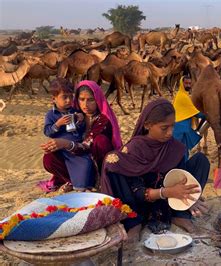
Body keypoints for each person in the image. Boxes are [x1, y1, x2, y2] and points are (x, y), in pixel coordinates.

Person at [101, 98, 210, 235]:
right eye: (164, 128)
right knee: (112, 162)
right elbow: (137, 190)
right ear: (147, 125)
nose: (170, 133)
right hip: (140, 202)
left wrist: (188, 198)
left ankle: (180, 214)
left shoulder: (175, 148)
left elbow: (181, 177)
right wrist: (166, 192)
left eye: (173, 126)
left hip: (170, 200)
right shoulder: (134, 148)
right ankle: (133, 222)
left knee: (201, 160)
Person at [40, 80, 122, 192]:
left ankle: (101, 181)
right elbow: (51, 130)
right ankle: (74, 181)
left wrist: (64, 143)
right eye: (81, 99)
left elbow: (86, 146)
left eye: (90, 100)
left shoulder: (102, 120)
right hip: (76, 159)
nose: (85, 104)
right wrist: (53, 145)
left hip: (96, 164)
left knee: (100, 141)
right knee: (49, 158)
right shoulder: (75, 114)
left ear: (97, 99)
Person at [40, 78, 96, 192]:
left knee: (84, 163)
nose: (68, 100)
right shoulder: (51, 115)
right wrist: (58, 124)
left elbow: (80, 130)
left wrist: (80, 121)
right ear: (54, 99)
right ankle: (69, 181)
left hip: (75, 146)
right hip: (60, 149)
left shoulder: (74, 111)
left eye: (71, 97)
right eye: (64, 97)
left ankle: (81, 186)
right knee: (49, 160)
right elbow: (47, 131)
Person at [172, 75, 205, 159]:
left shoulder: (182, 94)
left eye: (189, 83)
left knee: (183, 151)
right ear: (181, 83)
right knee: (180, 151)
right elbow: (196, 114)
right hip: (179, 128)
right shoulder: (182, 96)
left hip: (183, 127)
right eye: (186, 83)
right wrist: (208, 115)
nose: (188, 85)